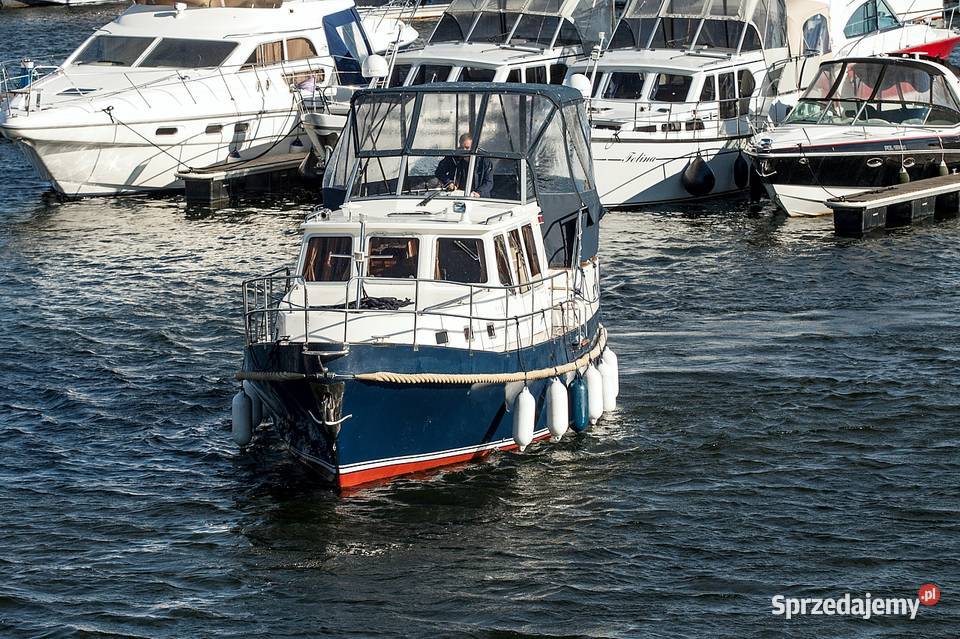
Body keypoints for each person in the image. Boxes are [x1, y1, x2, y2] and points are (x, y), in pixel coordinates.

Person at [434, 133, 494, 198]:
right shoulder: (453, 158)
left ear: (474, 147)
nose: (464, 150)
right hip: (457, 196)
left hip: (478, 198)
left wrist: (479, 193)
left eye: (467, 148)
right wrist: (449, 182)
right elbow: (439, 172)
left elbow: (488, 182)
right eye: (462, 148)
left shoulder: (485, 161)